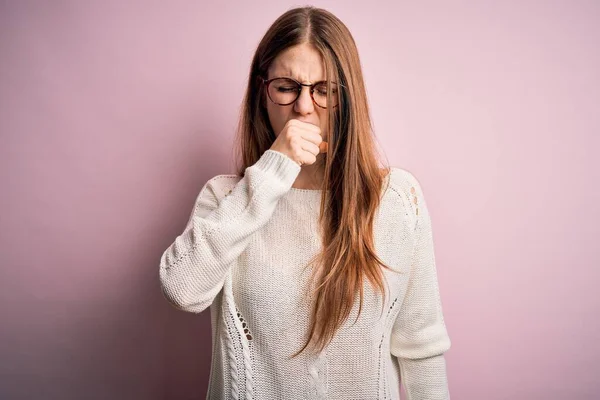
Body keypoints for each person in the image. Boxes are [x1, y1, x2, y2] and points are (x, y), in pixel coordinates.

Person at [159, 6, 451, 400]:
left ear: (348, 99)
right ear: (262, 92)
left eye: (324, 90)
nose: (304, 107)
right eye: (286, 86)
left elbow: (422, 349)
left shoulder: (396, 200)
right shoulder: (228, 198)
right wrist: (274, 168)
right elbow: (182, 289)